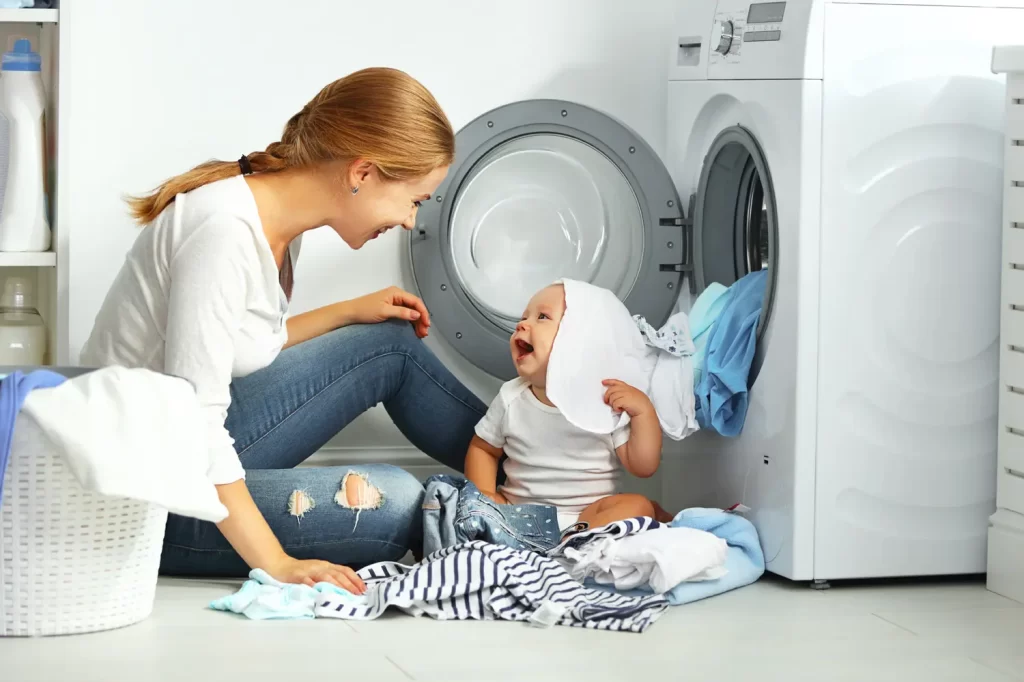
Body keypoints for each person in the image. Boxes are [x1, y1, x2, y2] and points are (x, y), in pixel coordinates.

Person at [81, 67, 487, 594]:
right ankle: (511, 513)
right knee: (393, 500)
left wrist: (347, 311)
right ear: (362, 172)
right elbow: (197, 421)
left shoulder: (275, 224)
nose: (411, 221)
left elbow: (233, 346)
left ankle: (538, 480)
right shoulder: (223, 232)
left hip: (179, 447)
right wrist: (275, 563)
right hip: (145, 496)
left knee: (388, 341)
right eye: (414, 200)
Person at [463, 283, 672, 534]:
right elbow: (483, 449)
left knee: (638, 506)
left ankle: (575, 539)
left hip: (590, 514)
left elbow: (643, 466)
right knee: (464, 504)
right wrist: (486, 497)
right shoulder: (511, 397)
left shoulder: (604, 400)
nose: (522, 324)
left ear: (580, 338)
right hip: (519, 513)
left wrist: (643, 412)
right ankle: (551, 542)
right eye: (523, 317)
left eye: (542, 317)